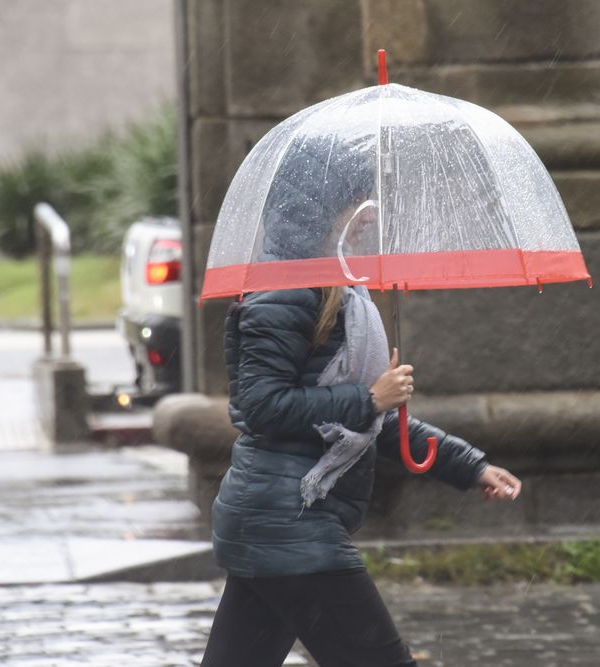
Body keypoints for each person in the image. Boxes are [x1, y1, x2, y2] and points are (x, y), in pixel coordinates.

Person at [200, 135, 522, 666]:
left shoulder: (344, 293)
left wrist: (469, 465)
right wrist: (368, 396)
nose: (367, 217)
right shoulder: (284, 293)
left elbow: (377, 422)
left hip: (272, 526)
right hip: (291, 525)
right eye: (357, 204)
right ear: (324, 208)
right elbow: (259, 407)